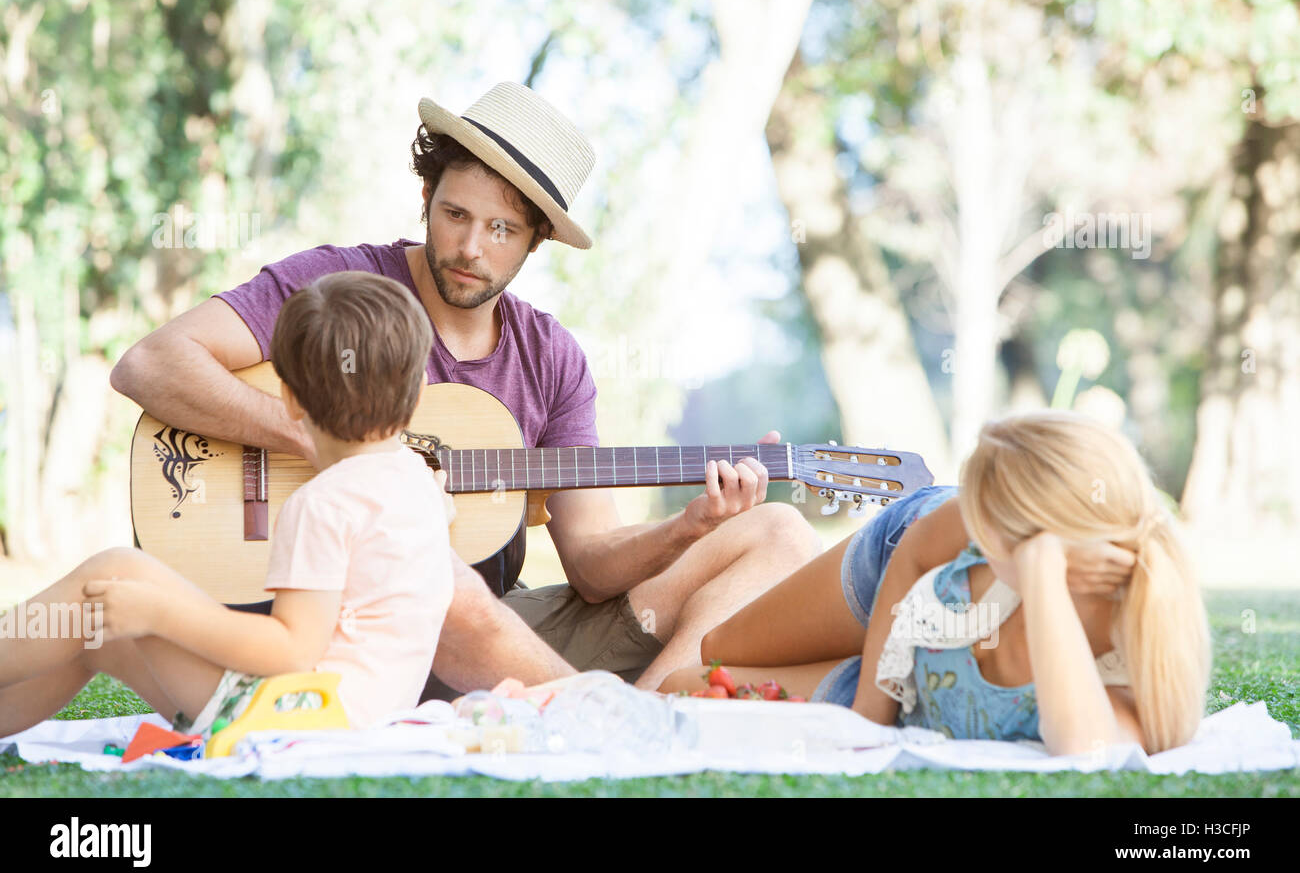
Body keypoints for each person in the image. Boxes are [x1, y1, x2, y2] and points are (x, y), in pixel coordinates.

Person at [109, 82, 821, 697]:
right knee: (426, 562)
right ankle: (597, 718)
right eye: (455, 215)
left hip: (483, 635)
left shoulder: (552, 359)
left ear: (536, 240)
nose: (471, 247)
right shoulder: (342, 289)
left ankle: (652, 711)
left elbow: (594, 568)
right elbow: (149, 362)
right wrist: (321, 437)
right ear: (426, 194)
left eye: (503, 228)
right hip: (331, 623)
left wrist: (692, 523)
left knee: (780, 533)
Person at [0, 272, 454, 739]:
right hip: (350, 718)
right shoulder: (421, 485)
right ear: (419, 390)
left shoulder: (324, 504)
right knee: (102, 637)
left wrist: (159, 614)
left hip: (300, 721)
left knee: (113, 572)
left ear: (291, 401)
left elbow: (292, 650)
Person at [660, 411, 1211, 756]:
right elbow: (919, 551)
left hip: (929, 666)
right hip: (905, 559)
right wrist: (866, 720)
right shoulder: (963, 523)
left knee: (691, 682)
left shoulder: (1135, 647)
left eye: (987, 528)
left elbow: (1085, 749)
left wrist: (1042, 568)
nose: (974, 526)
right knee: (721, 647)